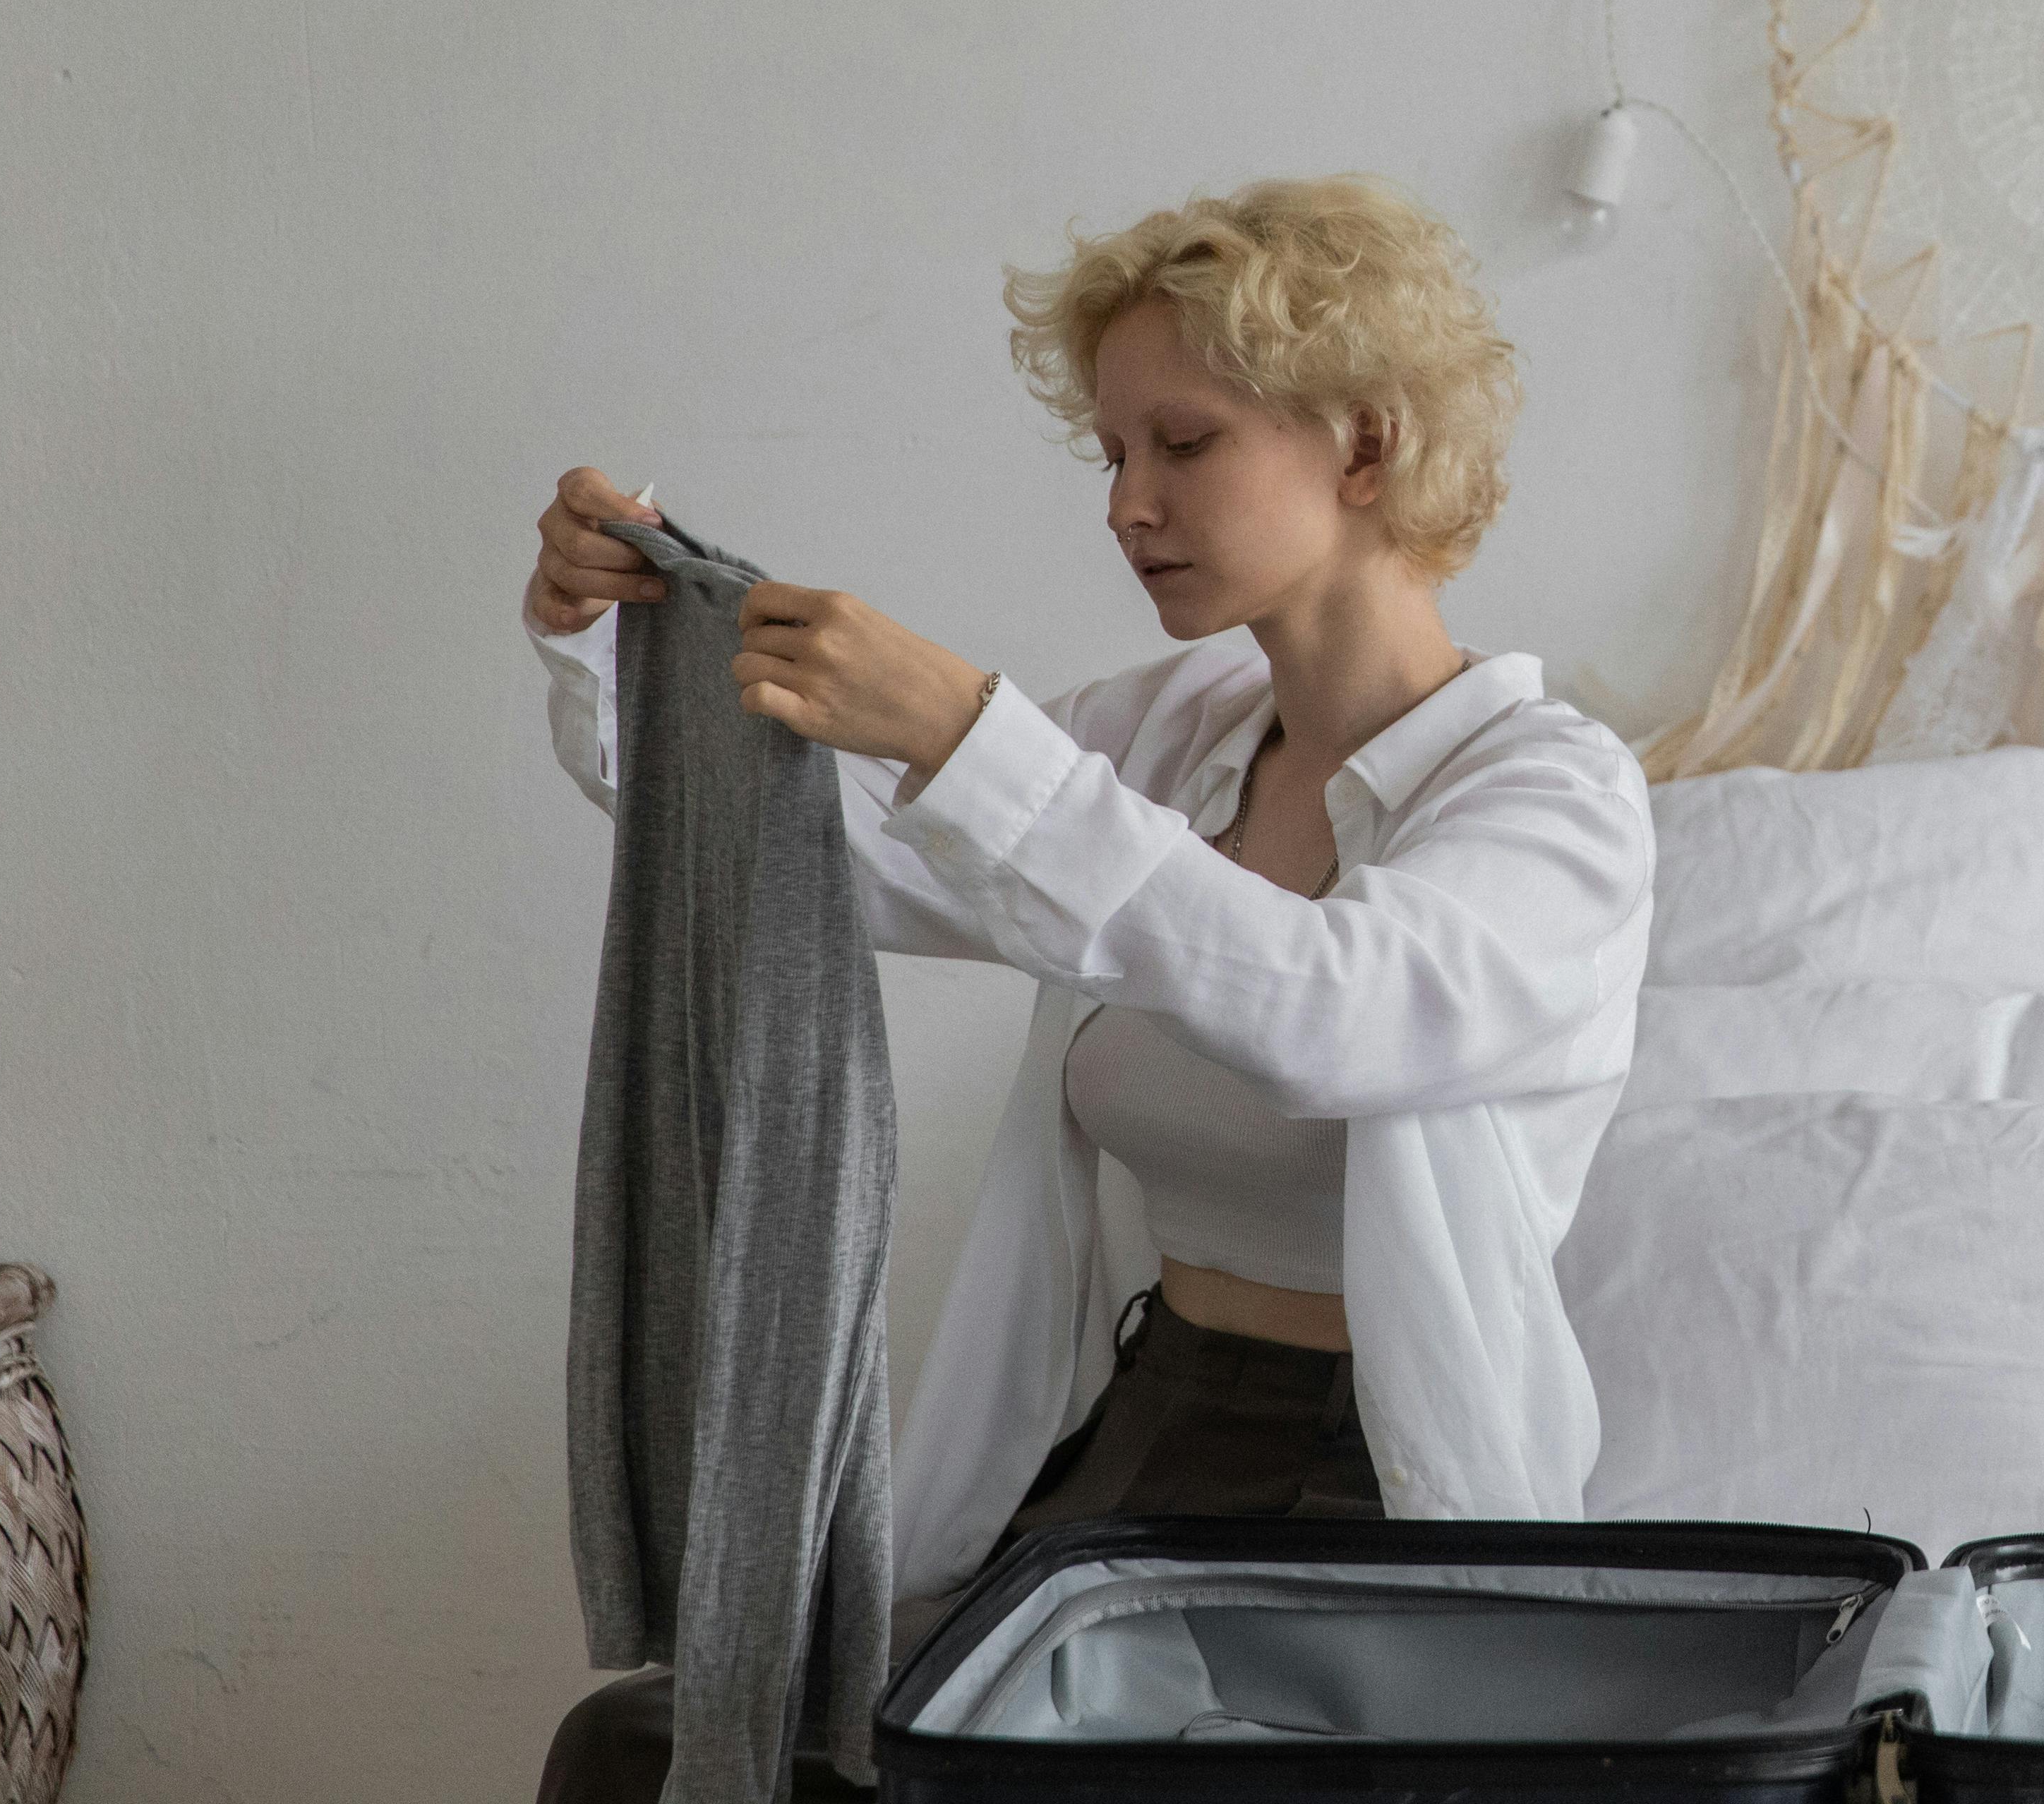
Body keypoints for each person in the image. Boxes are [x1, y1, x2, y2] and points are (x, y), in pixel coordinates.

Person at [520, 176, 1652, 1800]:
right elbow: (836, 860)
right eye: (1111, 453)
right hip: (1141, 1438)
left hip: (1374, 1499)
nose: (1128, 503)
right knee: (644, 1748)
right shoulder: (1179, 726)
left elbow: (1339, 1010)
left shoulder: (1553, 796)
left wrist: (970, 737)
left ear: (1368, 445)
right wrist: (616, 647)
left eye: (1183, 444)